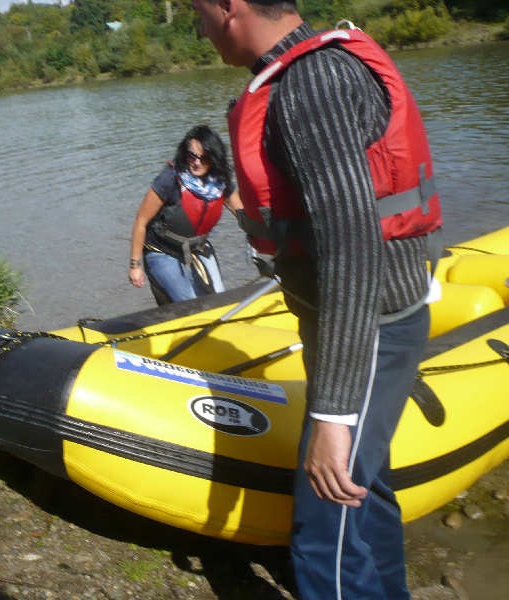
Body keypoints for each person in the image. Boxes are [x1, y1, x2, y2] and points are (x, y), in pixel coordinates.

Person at [189, 1, 443, 598]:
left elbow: (354, 245)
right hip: (364, 318)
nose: (199, 29)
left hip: (368, 324)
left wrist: (332, 412)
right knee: (365, 484)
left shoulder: (312, 82)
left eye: (198, 13)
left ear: (232, 7)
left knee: (323, 522)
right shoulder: (302, 74)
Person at [128, 125, 243, 305]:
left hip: (198, 249)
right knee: (188, 304)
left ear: (214, 158)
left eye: (204, 157)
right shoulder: (169, 180)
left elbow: (242, 214)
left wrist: (264, 240)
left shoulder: (221, 181)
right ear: (185, 153)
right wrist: (135, 266)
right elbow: (141, 222)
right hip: (163, 251)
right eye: (192, 156)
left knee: (220, 301)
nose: (197, 162)